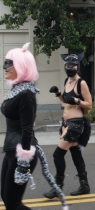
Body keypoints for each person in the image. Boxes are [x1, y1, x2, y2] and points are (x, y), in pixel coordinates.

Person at [43, 53, 92, 199]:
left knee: (57, 154)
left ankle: (58, 187)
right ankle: (84, 185)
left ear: (78, 66)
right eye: (68, 65)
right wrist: (58, 93)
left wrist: (77, 101)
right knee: (76, 154)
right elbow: (66, 101)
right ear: (65, 66)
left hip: (76, 124)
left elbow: (89, 105)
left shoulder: (81, 83)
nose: (70, 67)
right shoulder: (67, 81)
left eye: (73, 65)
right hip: (66, 124)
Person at [1, 43, 39, 210]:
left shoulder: (25, 94)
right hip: (11, 150)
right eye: (5, 62)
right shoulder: (17, 90)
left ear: (22, 67)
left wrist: (23, 162)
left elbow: (27, 129)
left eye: (10, 63)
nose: (5, 67)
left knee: (13, 203)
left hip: (21, 152)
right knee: (7, 198)